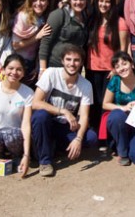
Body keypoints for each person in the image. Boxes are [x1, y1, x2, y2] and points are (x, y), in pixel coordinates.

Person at [31, 45, 98, 177]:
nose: (72, 64)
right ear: (62, 61)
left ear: (81, 63)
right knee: (40, 116)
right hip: (48, 122)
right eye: (68, 59)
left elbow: (84, 116)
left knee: (91, 138)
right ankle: (45, 161)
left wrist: (78, 139)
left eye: (76, 60)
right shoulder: (51, 73)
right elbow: (35, 103)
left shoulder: (86, 85)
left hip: (65, 126)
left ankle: (55, 146)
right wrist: (64, 111)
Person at [87, 0, 129, 131]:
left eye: (107, 2)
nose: (104, 4)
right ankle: (95, 134)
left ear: (112, 4)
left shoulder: (119, 22)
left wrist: (116, 68)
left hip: (109, 70)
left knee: (107, 103)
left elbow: (123, 48)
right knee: (94, 103)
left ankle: (106, 135)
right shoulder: (93, 20)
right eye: (101, 1)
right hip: (92, 68)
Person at [102, 52, 135, 166]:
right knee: (116, 116)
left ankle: (130, 143)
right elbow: (105, 104)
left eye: (124, 64)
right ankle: (123, 152)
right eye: (117, 66)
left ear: (132, 65)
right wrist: (123, 108)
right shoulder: (115, 81)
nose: (122, 68)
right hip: (121, 121)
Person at [12, 0, 53, 87]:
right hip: (18, 61)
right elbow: (15, 45)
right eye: (35, 0)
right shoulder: (23, 17)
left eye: (42, 0)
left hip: (33, 62)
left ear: (48, 2)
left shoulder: (43, 18)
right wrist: (37, 37)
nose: (38, 4)